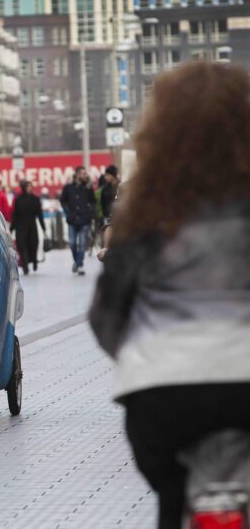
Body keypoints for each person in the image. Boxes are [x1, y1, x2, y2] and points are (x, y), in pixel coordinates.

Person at [89, 62, 250, 529]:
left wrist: (148, 354)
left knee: (174, 494)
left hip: (163, 397)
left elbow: (107, 317)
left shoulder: (145, 211)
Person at [59, 166, 95, 275]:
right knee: (72, 243)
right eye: (83, 173)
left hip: (84, 219)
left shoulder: (88, 188)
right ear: (77, 175)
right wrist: (68, 212)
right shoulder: (68, 187)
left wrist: (89, 212)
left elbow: (93, 201)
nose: (85, 176)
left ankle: (80, 264)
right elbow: (63, 200)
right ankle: (76, 261)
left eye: (86, 174)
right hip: (72, 219)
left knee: (83, 243)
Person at [10, 180, 46, 275]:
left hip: (32, 226)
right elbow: (15, 215)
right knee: (21, 246)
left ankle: (34, 261)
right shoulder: (18, 199)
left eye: (31, 186)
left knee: (33, 245)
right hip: (20, 227)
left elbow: (39, 214)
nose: (30, 188)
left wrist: (43, 227)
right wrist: (11, 228)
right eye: (28, 186)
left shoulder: (35, 199)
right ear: (24, 188)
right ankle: (25, 265)